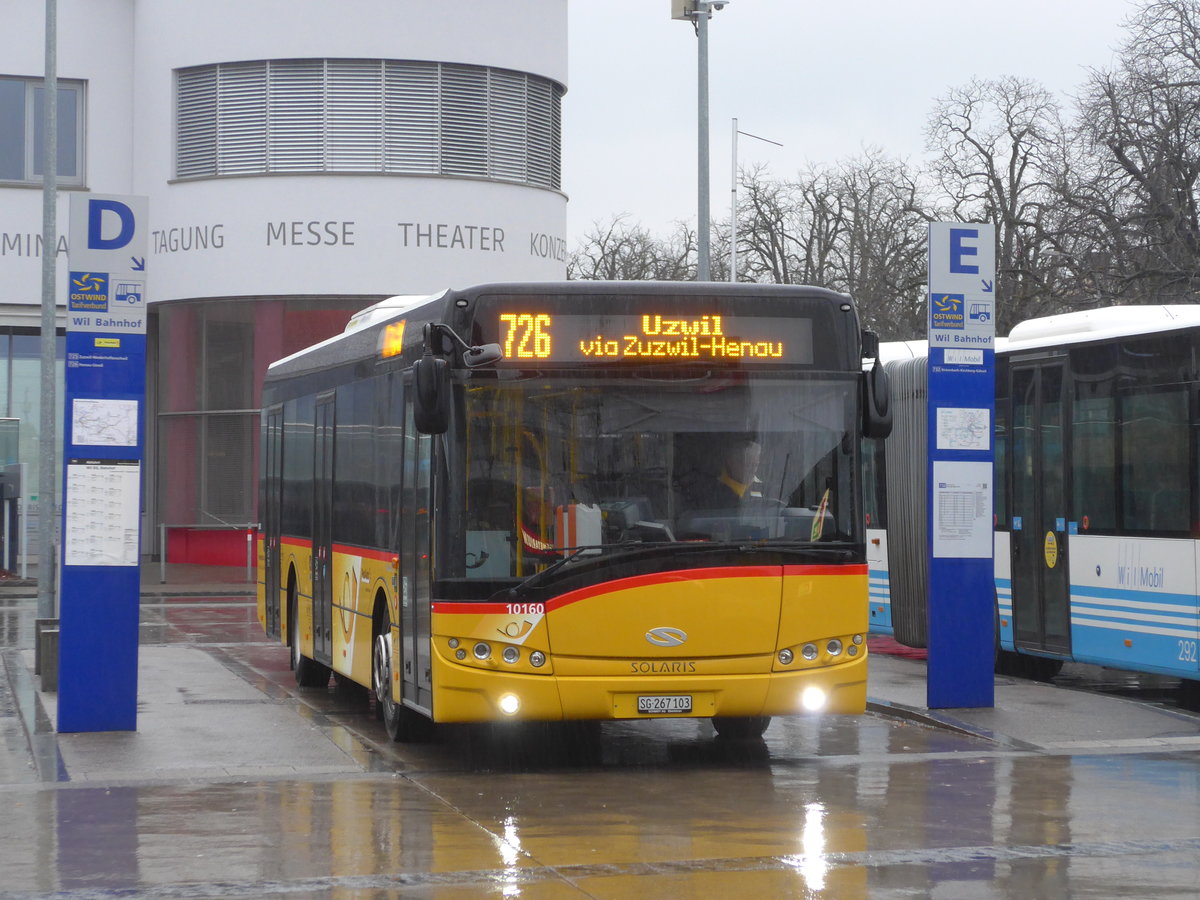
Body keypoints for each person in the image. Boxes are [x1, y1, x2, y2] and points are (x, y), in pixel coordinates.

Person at [685, 437, 763, 511]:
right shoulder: (709, 490)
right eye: (746, 464)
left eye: (755, 465)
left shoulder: (765, 489)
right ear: (730, 461)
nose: (751, 470)